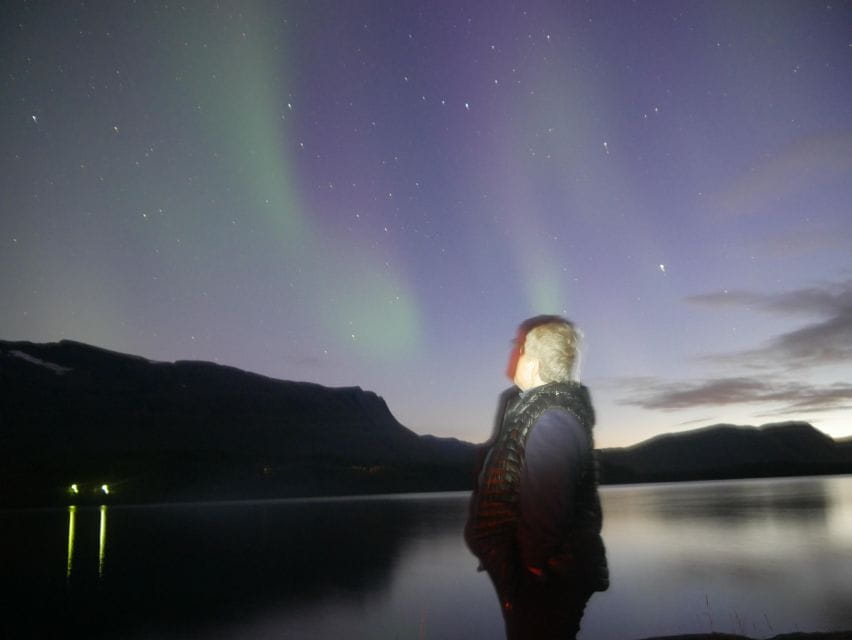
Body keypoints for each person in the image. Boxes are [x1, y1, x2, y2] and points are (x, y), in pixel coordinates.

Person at [465, 315, 608, 639]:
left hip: (544, 584)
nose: (516, 353)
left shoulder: (552, 420)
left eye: (523, 349)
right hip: (540, 578)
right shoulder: (537, 410)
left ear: (535, 364)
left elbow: (546, 520)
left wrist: (529, 577)